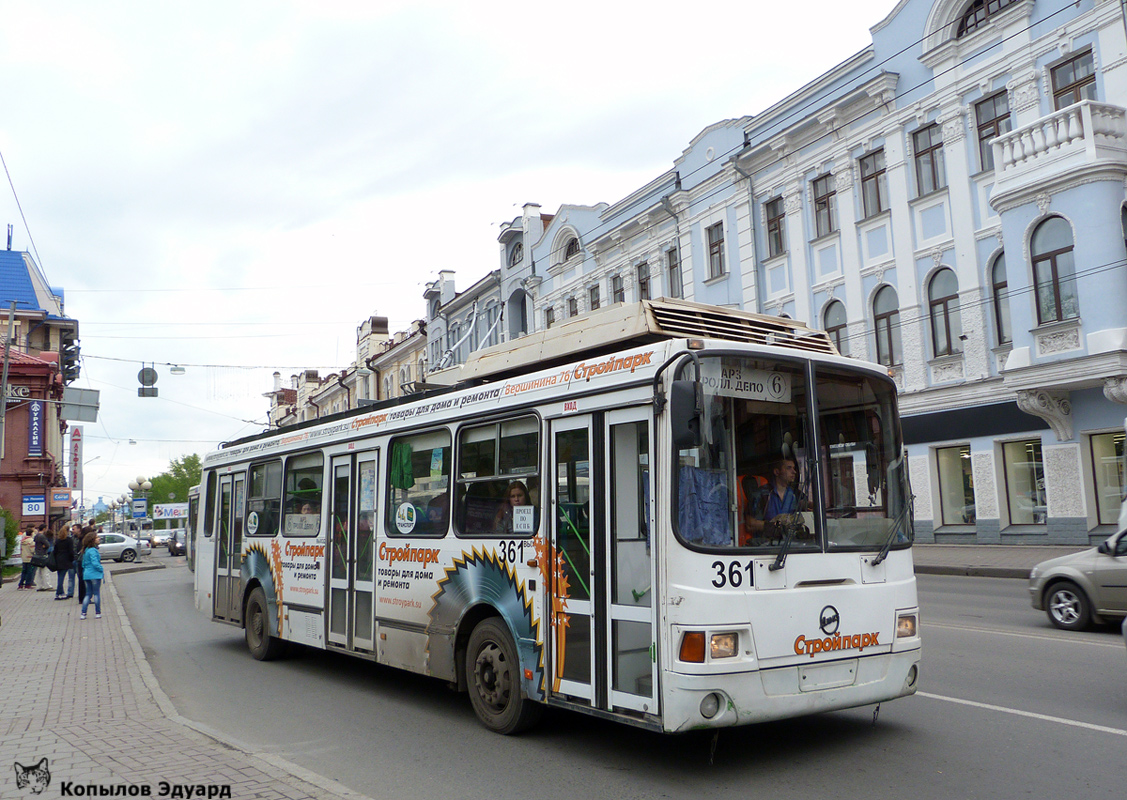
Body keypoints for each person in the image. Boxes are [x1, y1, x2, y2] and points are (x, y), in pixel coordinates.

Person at [741, 457, 808, 545]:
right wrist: (777, 528)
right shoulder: (762, 494)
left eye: (794, 468)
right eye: (788, 468)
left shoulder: (796, 494)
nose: (794, 472)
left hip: (791, 546)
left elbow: (810, 507)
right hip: (766, 547)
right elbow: (750, 524)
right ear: (777, 472)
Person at [80, 531, 104, 620]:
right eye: (97, 537)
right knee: (96, 594)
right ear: (92, 540)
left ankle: (83, 613)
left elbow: (83, 564)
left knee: (88, 594)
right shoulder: (93, 550)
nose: (99, 539)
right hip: (95, 574)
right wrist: (101, 569)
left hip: (87, 574)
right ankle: (98, 612)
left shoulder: (86, 550)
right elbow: (95, 562)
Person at [54, 524, 77, 599]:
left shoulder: (58, 540)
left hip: (58, 559)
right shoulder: (69, 540)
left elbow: (55, 551)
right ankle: (58, 593)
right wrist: (71, 559)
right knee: (62, 577)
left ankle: (60, 592)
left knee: (60, 576)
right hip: (66, 560)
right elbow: (71, 551)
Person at [33, 524, 53, 591]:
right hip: (43, 555)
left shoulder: (36, 536)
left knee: (39, 572)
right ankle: (48, 586)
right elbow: (47, 545)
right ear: (44, 529)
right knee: (45, 571)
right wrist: (44, 546)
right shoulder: (42, 536)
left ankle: (40, 586)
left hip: (37, 554)